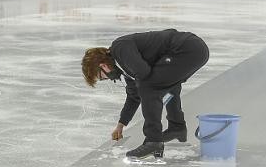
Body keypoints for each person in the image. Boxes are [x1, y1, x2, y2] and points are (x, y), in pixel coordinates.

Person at [82, 29, 209, 160]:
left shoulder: (119, 48)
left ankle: (153, 141)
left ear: (103, 66)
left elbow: (143, 73)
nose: (107, 78)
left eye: (102, 77)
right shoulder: (124, 67)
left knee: (148, 85)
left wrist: (138, 83)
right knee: (168, 85)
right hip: (191, 51)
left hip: (186, 48)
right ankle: (176, 127)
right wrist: (121, 125)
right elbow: (133, 96)